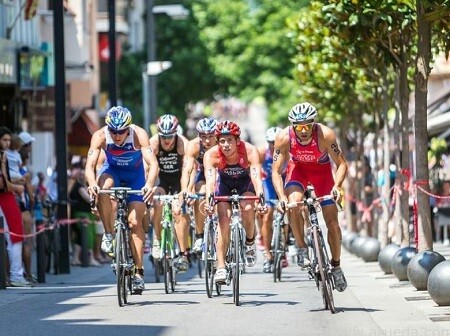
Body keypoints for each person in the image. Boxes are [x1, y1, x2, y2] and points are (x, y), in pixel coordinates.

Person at [271, 102, 348, 292]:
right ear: (293, 126)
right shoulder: (283, 137)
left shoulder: (326, 135)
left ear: (313, 124)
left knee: (332, 224)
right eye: (299, 126)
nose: (303, 130)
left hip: (322, 175)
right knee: (294, 204)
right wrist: (281, 196)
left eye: (307, 125)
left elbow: (342, 164)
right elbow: (275, 170)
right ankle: (301, 247)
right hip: (298, 172)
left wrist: (337, 186)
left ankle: (336, 266)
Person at [85, 106, 158, 294]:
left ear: (128, 128)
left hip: (136, 177)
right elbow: (90, 165)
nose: (117, 136)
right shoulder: (100, 135)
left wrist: (149, 184)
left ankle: (139, 273)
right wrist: (92, 183)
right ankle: (109, 234)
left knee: (134, 222)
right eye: (113, 132)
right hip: (112, 172)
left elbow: (153, 163)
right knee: (103, 188)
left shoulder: (138, 134)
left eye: (121, 132)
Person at [204, 120, 267, 284]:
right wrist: (209, 199)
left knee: (247, 207)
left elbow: (255, 174)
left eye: (229, 140)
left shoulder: (250, 151)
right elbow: (210, 180)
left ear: (237, 140)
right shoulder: (211, 155)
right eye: (222, 141)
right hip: (224, 184)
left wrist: (260, 195)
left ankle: (250, 241)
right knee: (223, 220)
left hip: (244, 183)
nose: (225, 145)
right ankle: (221, 267)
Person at [149, 114, 190, 272]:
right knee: (157, 203)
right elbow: (148, 168)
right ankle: (158, 240)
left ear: (175, 134)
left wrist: (186, 190)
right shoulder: (153, 143)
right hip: (162, 180)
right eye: (163, 136)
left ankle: (183, 253)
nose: (166, 140)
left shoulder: (182, 144)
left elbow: (188, 168)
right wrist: (149, 186)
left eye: (170, 136)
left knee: (178, 211)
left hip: (179, 180)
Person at [179, 117, 217, 253]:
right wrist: (185, 190)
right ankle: (200, 235)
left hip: (221, 174)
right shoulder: (194, 145)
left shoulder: (223, 144)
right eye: (203, 136)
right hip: (204, 174)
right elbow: (187, 170)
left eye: (211, 136)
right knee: (200, 193)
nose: (207, 140)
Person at [0, 127, 31, 287]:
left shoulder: (6, 155)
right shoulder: (2, 156)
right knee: (15, 235)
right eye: (3, 140)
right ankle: (16, 275)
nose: (6, 143)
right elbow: (2, 184)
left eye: (8, 140)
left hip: (6, 197)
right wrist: (17, 188)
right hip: (4, 198)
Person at [257, 126, 284, 273]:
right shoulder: (263, 152)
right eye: (271, 142)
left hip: (284, 181)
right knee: (267, 215)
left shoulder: (288, 151)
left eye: (276, 142)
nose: (274, 145)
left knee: (291, 209)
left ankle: (286, 240)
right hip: (268, 183)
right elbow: (253, 170)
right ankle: (267, 254)